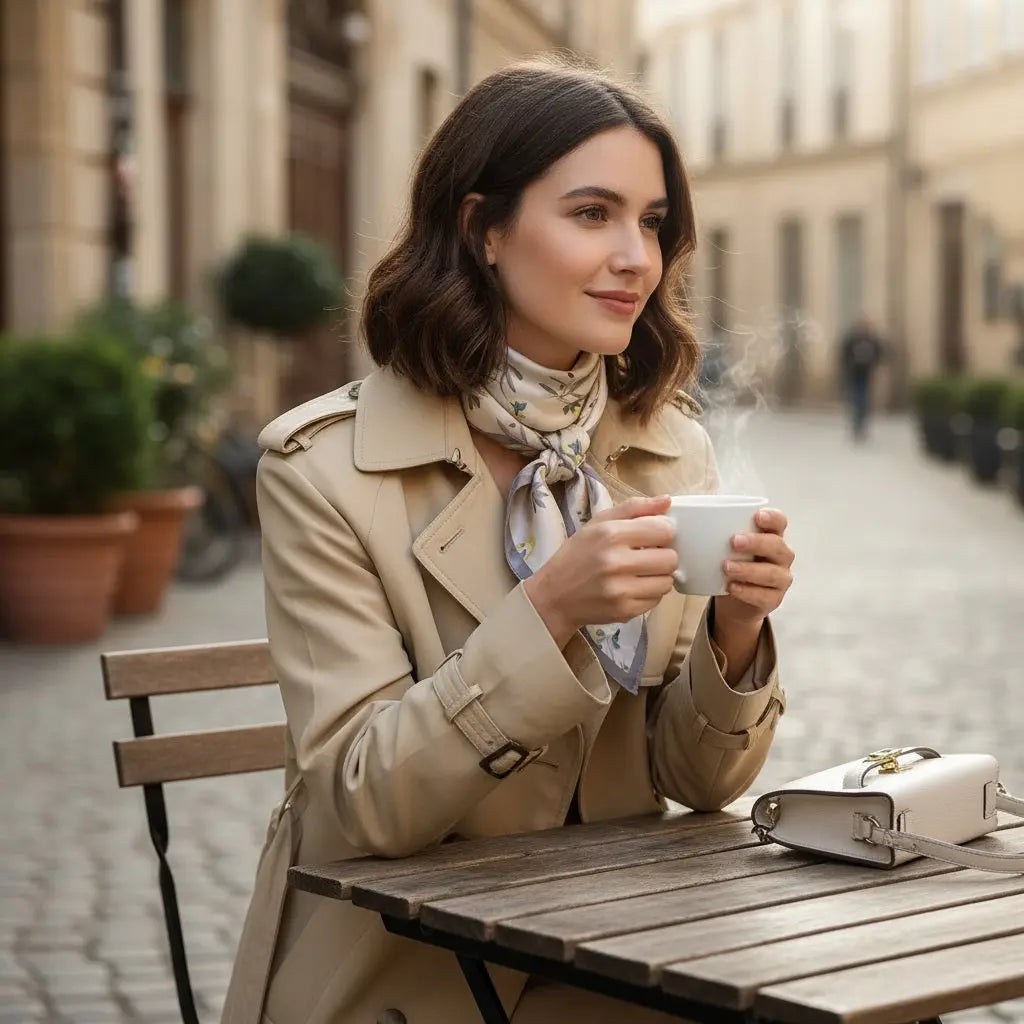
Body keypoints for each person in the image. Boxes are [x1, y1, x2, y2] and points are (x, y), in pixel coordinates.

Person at [223, 57, 794, 1024]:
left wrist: (737, 633)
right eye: (592, 214)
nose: (636, 258)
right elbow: (365, 800)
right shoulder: (323, 470)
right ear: (483, 229)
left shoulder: (668, 448)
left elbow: (699, 786)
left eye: (652, 222)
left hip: (625, 959)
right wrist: (552, 608)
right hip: (411, 975)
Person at [839, 315, 886, 440]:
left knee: (864, 400)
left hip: (866, 375)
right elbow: (844, 354)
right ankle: (856, 424)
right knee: (855, 400)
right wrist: (847, 367)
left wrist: (875, 364)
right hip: (853, 374)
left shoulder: (872, 340)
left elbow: (879, 352)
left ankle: (862, 424)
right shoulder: (852, 339)